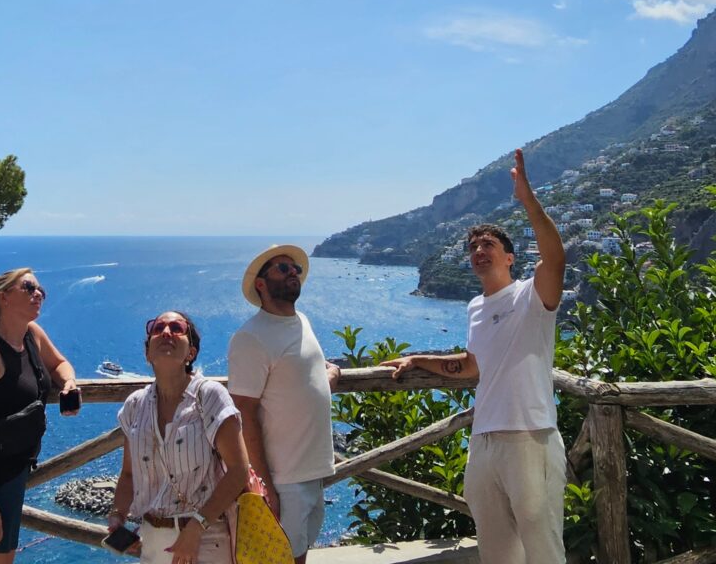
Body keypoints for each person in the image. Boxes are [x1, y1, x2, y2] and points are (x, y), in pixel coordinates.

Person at [380, 149, 566, 564]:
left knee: (542, 546)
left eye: (489, 244)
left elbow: (555, 258)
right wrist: (418, 360)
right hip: (484, 441)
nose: (479, 249)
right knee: (496, 548)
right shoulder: (474, 308)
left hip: (529, 435)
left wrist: (527, 200)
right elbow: (471, 366)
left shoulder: (531, 295)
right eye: (474, 246)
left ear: (510, 257)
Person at [0, 268, 79, 564]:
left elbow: (59, 363)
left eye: (41, 289)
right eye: (29, 287)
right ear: (3, 297)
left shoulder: (31, 335)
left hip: (13, 471)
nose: (39, 294)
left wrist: (69, 382)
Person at [227, 245, 341, 564]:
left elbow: (301, 384)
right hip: (282, 477)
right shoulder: (251, 338)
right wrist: (263, 487)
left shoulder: (301, 321)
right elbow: (243, 414)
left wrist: (330, 375)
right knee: (280, 560)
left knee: (297, 556)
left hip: (311, 472)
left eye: (296, 269)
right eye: (282, 268)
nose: (293, 272)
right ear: (260, 284)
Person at [109, 311, 250, 564]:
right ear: (148, 354)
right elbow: (129, 475)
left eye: (177, 328)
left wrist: (196, 528)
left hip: (205, 538)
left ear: (191, 353)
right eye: (157, 328)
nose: (166, 332)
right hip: (152, 541)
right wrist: (117, 516)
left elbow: (238, 470)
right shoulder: (135, 406)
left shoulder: (209, 397)